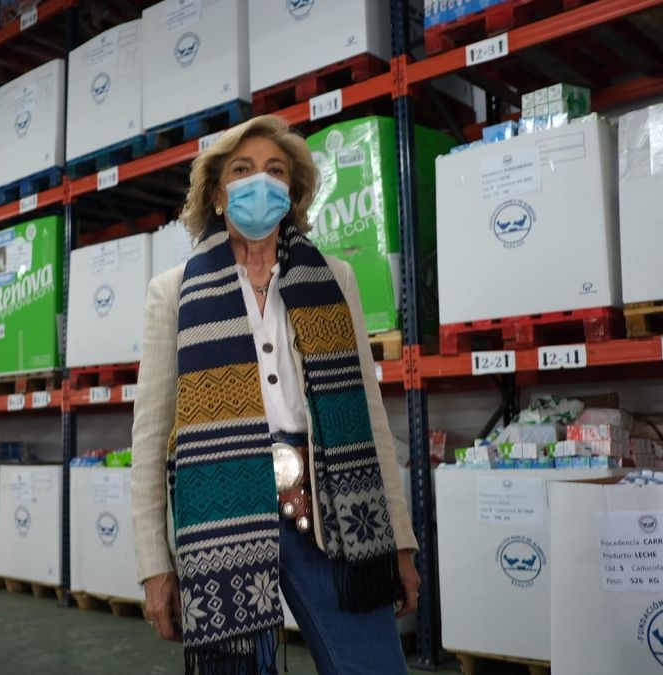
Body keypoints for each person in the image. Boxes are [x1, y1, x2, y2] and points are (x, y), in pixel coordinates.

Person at [130, 114, 420, 675]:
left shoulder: (333, 280)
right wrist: (153, 564)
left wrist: (400, 542)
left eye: (274, 171)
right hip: (223, 515)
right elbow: (149, 437)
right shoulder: (174, 293)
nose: (258, 182)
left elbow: (370, 418)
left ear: (292, 192)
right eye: (242, 170)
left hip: (330, 510)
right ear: (217, 193)